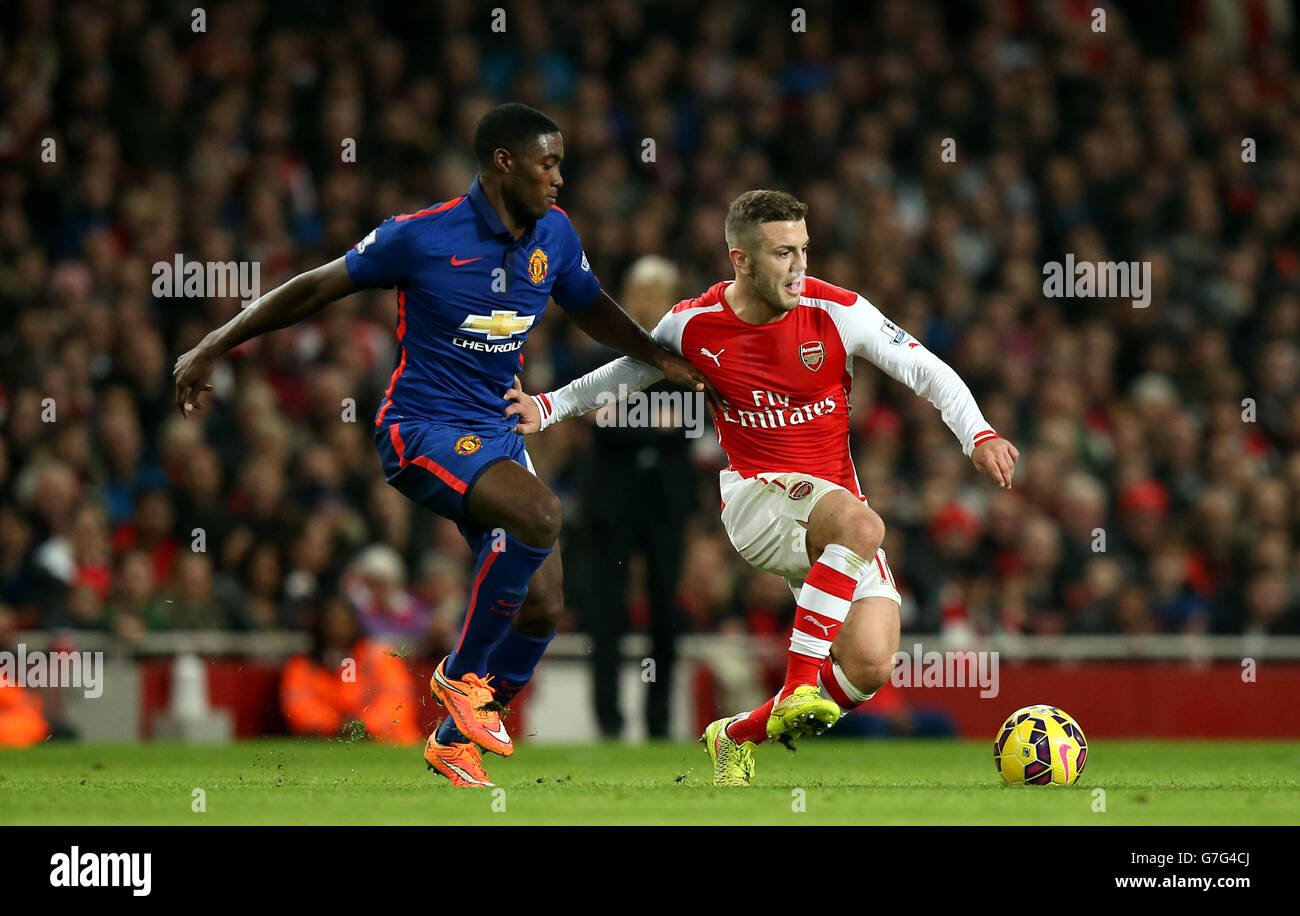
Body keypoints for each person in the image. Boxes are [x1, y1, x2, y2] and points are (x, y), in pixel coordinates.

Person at [175, 103, 710, 787]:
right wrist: (215, 344)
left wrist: (654, 356)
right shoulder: (421, 237)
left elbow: (588, 304)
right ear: (503, 163)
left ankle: (456, 740)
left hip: (496, 430)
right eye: (548, 164)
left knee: (545, 601)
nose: (559, 178)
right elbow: (315, 288)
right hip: (421, 428)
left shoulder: (557, 233)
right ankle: (460, 679)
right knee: (543, 514)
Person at [511, 190, 1019, 785]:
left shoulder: (837, 311)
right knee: (864, 524)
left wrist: (977, 433)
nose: (800, 266)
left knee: (871, 663)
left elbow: (925, 369)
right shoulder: (695, 324)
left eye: (804, 250)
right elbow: (630, 368)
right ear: (741, 260)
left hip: (828, 510)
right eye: (783, 253)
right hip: (756, 499)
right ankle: (800, 683)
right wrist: (546, 406)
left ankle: (734, 736)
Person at [573, 256, 695, 739]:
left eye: (655, 293)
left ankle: (660, 723)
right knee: (607, 612)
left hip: (666, 502)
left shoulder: (691, 358)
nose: (645, 302)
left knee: (667, 615)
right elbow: (594, 420)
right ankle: (608, 722)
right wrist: (653, 418)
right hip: (611, 501)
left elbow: (691, 422)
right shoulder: (600, 356)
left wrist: (623, 413)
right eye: (638, 292)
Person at [280, 592, 420, 744]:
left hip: (389, 745)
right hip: (330, 747)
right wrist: (336, 725)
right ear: (319, 626)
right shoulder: (303, 665)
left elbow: (398, 701)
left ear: (355, 624)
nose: (338, 630)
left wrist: (362, 726)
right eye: (331, 624)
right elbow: (299, 706)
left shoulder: (379, 656)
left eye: (343, 623)